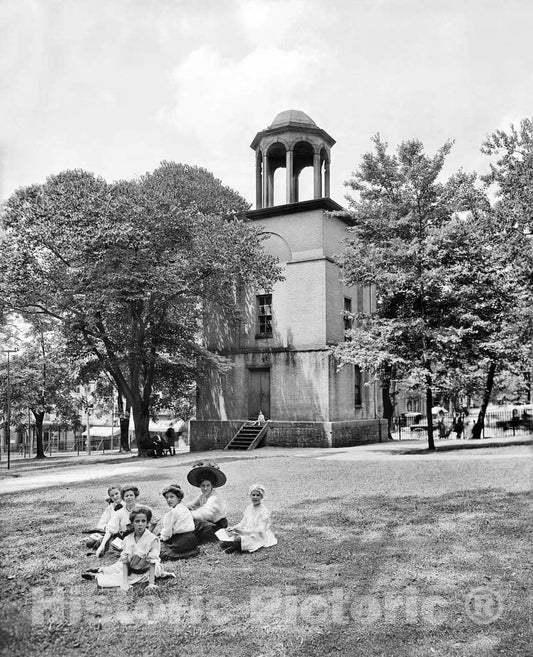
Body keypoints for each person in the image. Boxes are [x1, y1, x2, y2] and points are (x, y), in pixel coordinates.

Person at [82, 507, 174, 589]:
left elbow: (152, 562)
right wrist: (125, 583)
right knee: (118, 567)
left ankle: (96, 576)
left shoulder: (153, 539)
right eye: (137, 521)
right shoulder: (128, 539)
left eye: (143, 521)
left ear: (147, 523)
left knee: (112, 580)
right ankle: (101, 569)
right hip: (130, 567)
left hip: (144, 572)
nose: (140, 524)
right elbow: (125, 561)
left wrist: (151, 583)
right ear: (132, 523)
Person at [95, 485, 160, 558]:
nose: (129, 497)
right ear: (123, 498)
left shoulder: (143, 508)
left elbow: (155, 521)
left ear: (135, 496)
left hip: (141, 535)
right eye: (126, 496)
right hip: (125, 537)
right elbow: (110, 530)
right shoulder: (119, 512)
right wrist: (102, 545)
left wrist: (148, 532)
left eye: (131, 495)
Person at [219, 483, 277, 554]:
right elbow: (243, 523)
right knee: (227, 533)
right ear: (250, 495)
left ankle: (235, 546)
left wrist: (242, 532)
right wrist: (233, 528)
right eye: (253, 495)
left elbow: (260, 531)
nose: (255, 497)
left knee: (238, 540)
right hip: (246, 531)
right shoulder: (249, 508)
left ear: (262, 497)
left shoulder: (264, 511)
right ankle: (234, 545)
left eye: (258, 495)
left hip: (256, 535)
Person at [186, 461, 228, 543]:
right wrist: (180, 509)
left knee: (194, 532)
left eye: (208, 485)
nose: (205, 488)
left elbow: (204, 513)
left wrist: (188, 515)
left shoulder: (214, 497)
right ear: (199, 486)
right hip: (208, 522)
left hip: (218, 525)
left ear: (212, 485)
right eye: (203, 486)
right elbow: (191, 505)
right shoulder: (202, 496)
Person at [159, 484, 199, 560]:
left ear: (179, 498)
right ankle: (190, 551)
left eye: (172, 497)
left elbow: (167, 531)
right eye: (167, 498)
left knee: (161, 551)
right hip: (192, 539)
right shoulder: (184, 508)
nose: (169, 500)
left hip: (182, 540)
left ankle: (184, 552)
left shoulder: (173, 512)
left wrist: (163, 538)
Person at [84, 485, 123, 551]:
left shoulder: (126, 505)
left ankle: (105, 543)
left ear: (121, 493)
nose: (115, 497)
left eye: (116, 494)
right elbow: (102, 522)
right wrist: (105, 527)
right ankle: (102, 541)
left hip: (120, 532)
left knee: (114, 545)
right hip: (108, 530)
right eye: (112, 495)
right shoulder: (110, 507)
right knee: (89, 543)